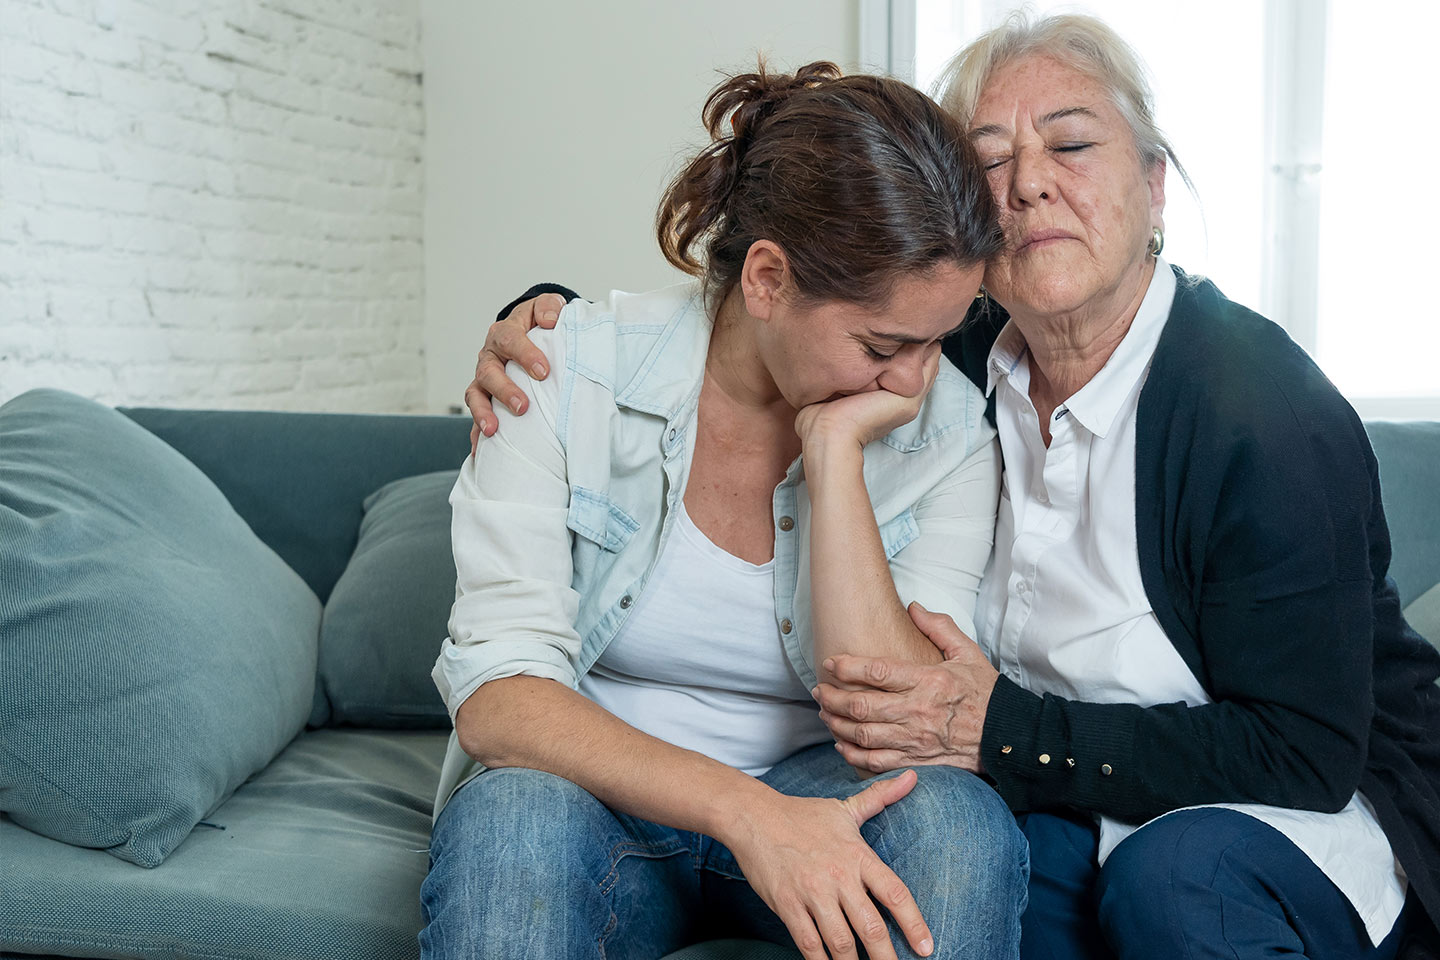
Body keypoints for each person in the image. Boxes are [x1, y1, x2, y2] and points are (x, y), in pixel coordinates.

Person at [465, 14, 1440, 960]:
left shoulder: (1253, 411)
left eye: (1071, 145)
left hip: (1256, 797)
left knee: (1120, 871)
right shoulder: (960, 354)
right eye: (991, 160)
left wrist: (1000, 727)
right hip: (1059, 790)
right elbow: (771, 307)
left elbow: (1302, 751)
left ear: (1154, 185)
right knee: (1023, 869)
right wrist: (538, 321)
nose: (1028, 188)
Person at [423, 61, 1030, 960]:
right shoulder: (565, 371)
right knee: (512, 825)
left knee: (957, 828)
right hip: (599, 794)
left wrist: (834, 457)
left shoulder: (944, 433)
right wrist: (751, 815)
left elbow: (898, 717)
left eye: (939, 341)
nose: (914, 381)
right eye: (882, 344)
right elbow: (499, 699)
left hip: (827, 781)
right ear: (769, 280)